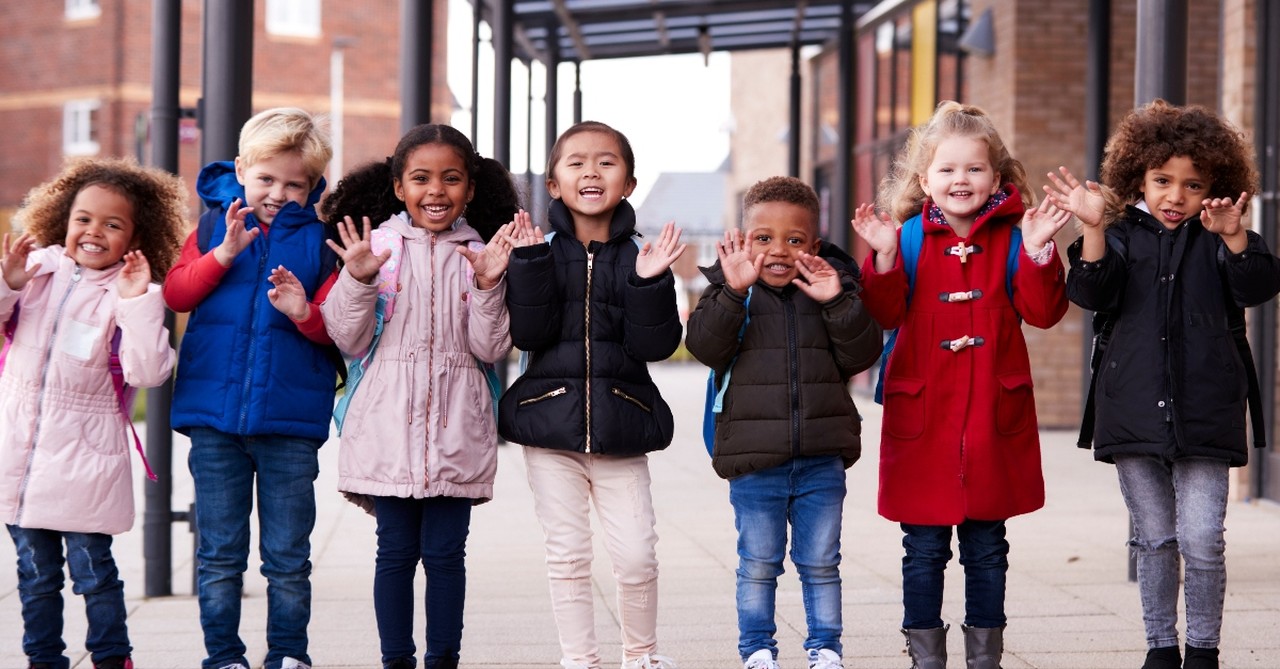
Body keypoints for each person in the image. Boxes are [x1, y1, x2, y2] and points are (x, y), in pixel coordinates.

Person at [1045, 99, 1280, 669]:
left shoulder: (1222, 236)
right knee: (1154, 539)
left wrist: (1235, 239)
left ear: (1216, 188)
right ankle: (1160, 647)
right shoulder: (1120, 234)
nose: (1175, 196)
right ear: (1138, 177)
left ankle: (1202, 649)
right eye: (1161, 180)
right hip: (1132, 408)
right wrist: (1093, 229)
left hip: (1207, 408)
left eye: (1192, 185)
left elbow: (1258, 286)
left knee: (1202, 539)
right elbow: (1090, 293)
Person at [850, 101, 1070, 669]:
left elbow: (1042, 312)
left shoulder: (1015, 235)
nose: (960, 181)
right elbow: (886, 312)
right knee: (921, 548)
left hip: (994, 413)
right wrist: (882, 256)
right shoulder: (908, 237)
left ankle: (985, 657)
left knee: (987, 546)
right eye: (947, 170)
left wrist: (1042, 249)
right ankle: (925, 655)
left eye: (974, 169)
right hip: (923, 414)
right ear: (925, 180)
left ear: (996, 177)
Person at [311, 124, 520, 669]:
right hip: (386, 430)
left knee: (448, 557)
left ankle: (442, 659)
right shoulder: (374, 246)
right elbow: (348, 337)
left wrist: (489, 286)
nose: (436, 190)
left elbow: (490, 345)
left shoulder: (481, 252)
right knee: (395, 555)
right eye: (421, 178)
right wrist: (355, 281)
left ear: (469, 189)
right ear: (399, 187)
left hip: (459, 429)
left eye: (451, 179)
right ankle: (396, 660)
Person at [498, 120, 685, 669]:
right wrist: (528, 267)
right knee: (569, 555)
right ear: (554, 183)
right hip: (548, 425)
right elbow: (526, 338)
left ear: (628, 182)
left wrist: (650, 282)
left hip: (622, 428)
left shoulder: (641, 255)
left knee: (635, 557)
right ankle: (580, 661)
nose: (591, 172)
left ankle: (642, 656)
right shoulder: (536, 250)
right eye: (575, 162)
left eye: (606, 162)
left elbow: (655, 346)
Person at [163, 107, 338, 669]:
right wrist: (221, 256)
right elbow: (177, 294)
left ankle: (288, 654)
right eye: (266, 179)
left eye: (294, 184)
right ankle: (224, 657)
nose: (279, 193)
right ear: (241, 169)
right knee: (218, 554)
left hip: (289, 424)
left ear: (313, 187)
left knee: (287, 557)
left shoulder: (322, 242)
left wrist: (302, 311)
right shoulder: (214, 227)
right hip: (214, 422)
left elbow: (338, 328)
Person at [684, 176, 882, 669]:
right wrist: (731, 293)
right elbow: (706, 347)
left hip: (821, 456)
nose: (778, 250)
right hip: (754, 460)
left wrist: (835, 300)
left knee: (821, 563)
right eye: (763, 238)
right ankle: (756, 650)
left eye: (794, 240)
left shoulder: (834, 290)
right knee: (758, 563)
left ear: (813, 245)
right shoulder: (725, 291)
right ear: (743, 239)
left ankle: (826, 647)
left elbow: (862, 353)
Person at [0, 157, 187, 669]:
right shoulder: (37, 270)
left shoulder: (132, 294)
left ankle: (111, 656)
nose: (94, 231)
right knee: (35, 575)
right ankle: (43, 658)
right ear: (63, 216)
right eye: (84, 218)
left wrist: (135, 303)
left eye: (112, 224)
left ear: (135, 235)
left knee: (92, 571)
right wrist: (9, 283)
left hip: (85, 456)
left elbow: (149, 371)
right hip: (21, 453)